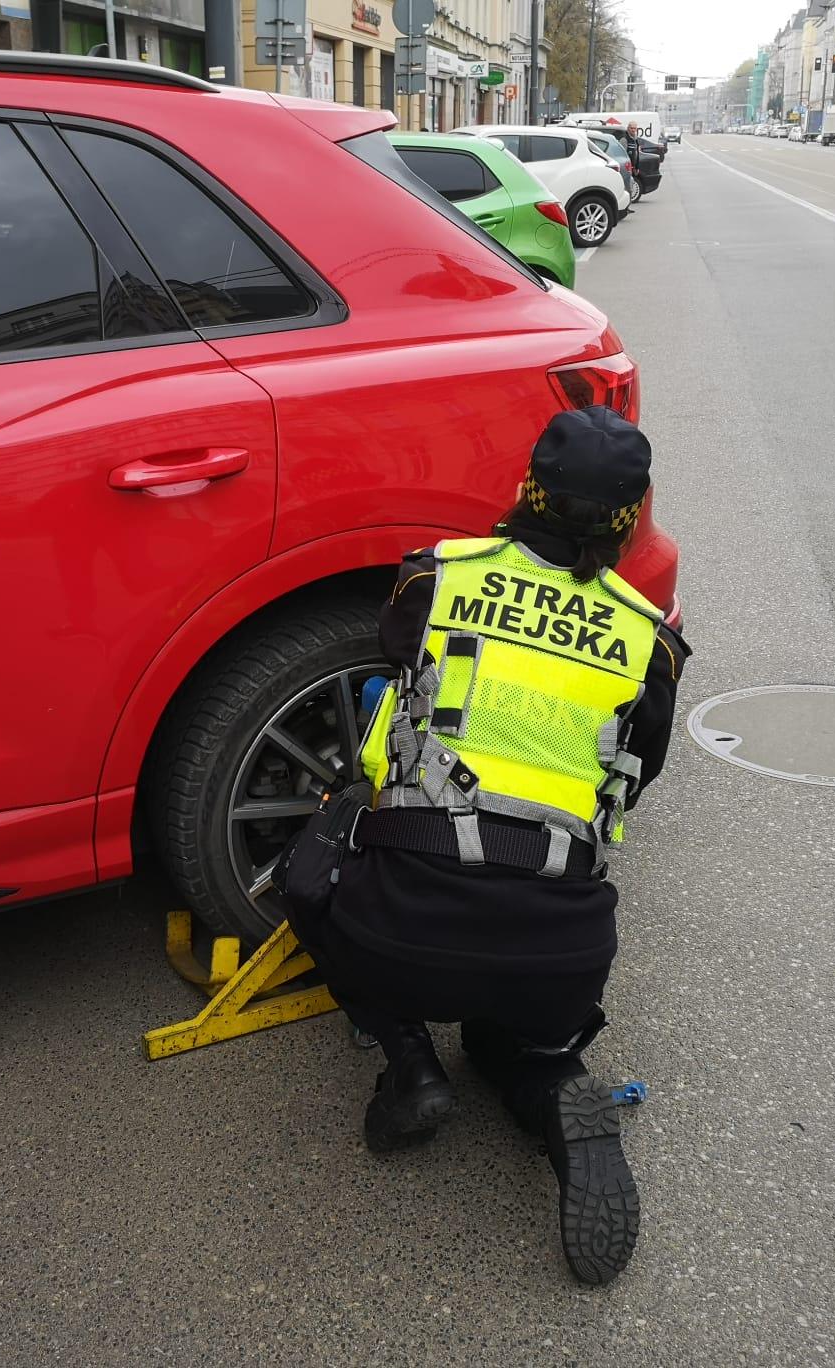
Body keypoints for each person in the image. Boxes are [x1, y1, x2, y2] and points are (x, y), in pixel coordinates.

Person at [290, 405, 689, 1285]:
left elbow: (395, 668)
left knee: (312, 874)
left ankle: (409, 1064)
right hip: (565, 947)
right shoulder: (650, 643)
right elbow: (637, 774)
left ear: (526, 490)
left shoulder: (434, 575)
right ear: (629, 521)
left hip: (401, 927)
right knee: (518, 1043)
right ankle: (552, 1092)